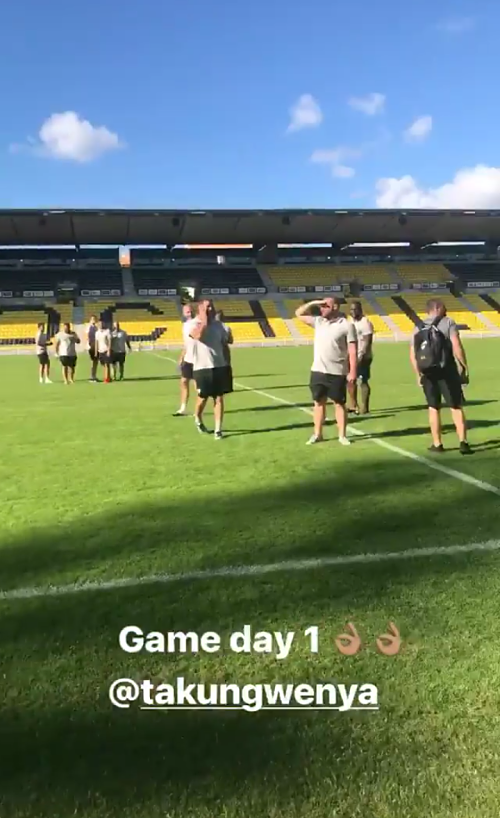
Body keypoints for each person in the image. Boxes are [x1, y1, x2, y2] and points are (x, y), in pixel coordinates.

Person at [410, 298, 472, 454]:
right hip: (447, 370)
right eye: (444, 307)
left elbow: (413, 353)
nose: (446, 309)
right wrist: (464, 366)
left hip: (428, 372)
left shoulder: (418, 326)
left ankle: (437, 444)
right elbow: (456, 346)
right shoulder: (447, 322)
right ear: (437, 308)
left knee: (433, 407)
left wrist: (418, 373)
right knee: (455, 406)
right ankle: (463, 442)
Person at [295, 297, 357, 446]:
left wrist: (353, 371)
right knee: (318, 403)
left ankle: (342, 436)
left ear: (335, 307)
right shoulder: (319, 322)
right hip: (318, 370)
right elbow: (298, 314)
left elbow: (352, 350)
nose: (321, 308)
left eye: (325, 306)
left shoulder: (347, 326)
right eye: (321, 306)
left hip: (337, 371)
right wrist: (314, 303)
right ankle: (317, 434)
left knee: (339, 403)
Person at [189, 299, 233, 440]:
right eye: (207, 307)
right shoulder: (193, 324)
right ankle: (197, 416)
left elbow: (226, 343)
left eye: (211, 307)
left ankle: (218, 430)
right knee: (203, 397)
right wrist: (204, 321)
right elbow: (198, 336)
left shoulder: (220, 326)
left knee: (219, 398)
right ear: (200, 309)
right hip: (202, 367)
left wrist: (227, 364)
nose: (210, 309)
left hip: (219, 366)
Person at [348, 301, 374, 415]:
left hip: (363, 357)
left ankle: (364, 407)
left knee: (363, 381)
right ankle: (353, 405)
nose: (353, 312)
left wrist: (362, 355)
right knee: (350, 380)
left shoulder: (365, 322)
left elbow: (368, 340)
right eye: (351, 309)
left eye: (355, 309)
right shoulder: (350, 321)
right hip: (352, 355)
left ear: (360, 310)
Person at [173, 303, 196, 416]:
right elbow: (187, 344)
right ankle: (183, 408)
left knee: (197, 385)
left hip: (198, 358)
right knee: (184, 382)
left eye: (190, 311)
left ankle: (198, 409)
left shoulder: (197, 322)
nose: (189, 313)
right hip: (188, 358)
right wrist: (181, 357)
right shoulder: (185, 325)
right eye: (187, 311)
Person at [86, 315, 99, 382]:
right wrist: (89, 344)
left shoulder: (96, 327)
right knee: (92, 361)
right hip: (91, 346)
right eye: (92, 319)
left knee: (96, 361)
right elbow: (87, 336)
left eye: (94, 319)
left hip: (96, 346)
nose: (93, 320)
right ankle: (91, 376)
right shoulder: (88, 327)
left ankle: (94, 375)